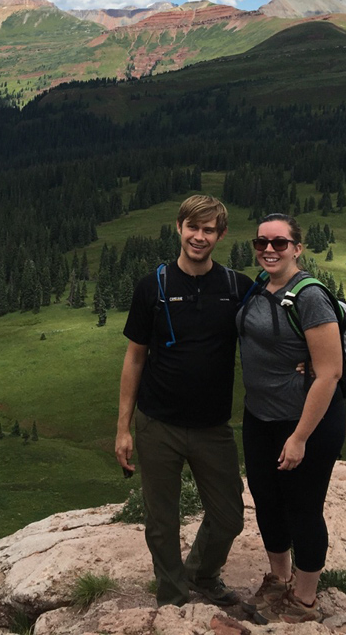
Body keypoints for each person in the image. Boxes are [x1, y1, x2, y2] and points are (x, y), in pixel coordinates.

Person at [116, 194, 252, 608]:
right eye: (192, 227)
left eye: (208, 229)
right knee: (161, 520)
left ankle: (202, 573)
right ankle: (172, 597)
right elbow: (135, 356)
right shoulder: (151, 287)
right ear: (179, 228)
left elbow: (269, 334)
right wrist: (123, 428)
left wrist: (305, 363)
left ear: (221, 235)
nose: (199, 236)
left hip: (213, 426)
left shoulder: (236, 287)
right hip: (158, 422)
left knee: (229, 516)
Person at [238, 212, 345, 624]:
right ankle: (278, 580)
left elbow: (331, 371)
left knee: (303, 507)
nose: (269, 249)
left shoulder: (310, 296)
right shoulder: (258, 288)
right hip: (260, 416)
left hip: (306, 423)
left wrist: (299, 436)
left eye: (279, 243)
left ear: (297, 248)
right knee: (267, 500)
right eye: (262, 242)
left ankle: (303, 601)